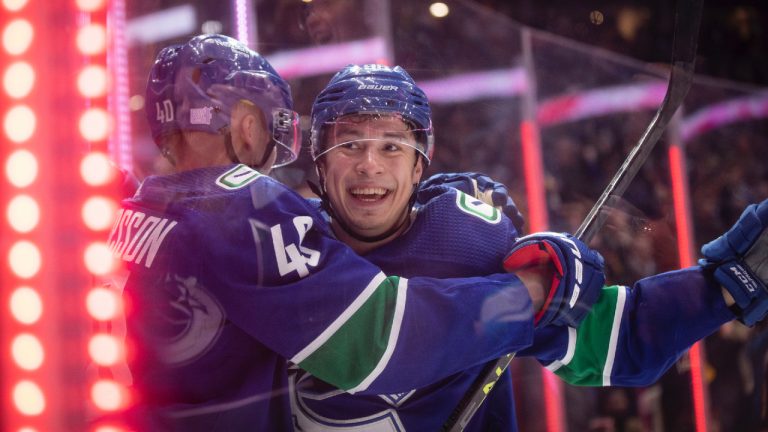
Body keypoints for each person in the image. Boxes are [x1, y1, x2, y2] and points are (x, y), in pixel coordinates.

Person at [111, 35, 603, 431]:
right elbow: (371, 341)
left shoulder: (132, 208)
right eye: (269, 123)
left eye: (392, 147)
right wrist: (532, 291)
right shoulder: (246, 206)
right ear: (244, 126)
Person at [291, 63, 768, 431]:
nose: (369, 165)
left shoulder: (470, 248)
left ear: (420, 166)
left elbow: (617, 339)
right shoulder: (279, 248)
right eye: (349, 146)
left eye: (392, 147)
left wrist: (727, 284)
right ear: (319, 160)